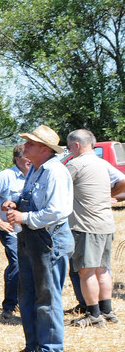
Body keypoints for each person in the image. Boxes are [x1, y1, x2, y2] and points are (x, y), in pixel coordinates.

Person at [5, 125, 74, 352]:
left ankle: (52, 351)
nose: (25, 146)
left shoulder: (54, 171)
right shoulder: (36, 170)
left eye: (31, 143)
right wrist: (15, 204)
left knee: (47, 295)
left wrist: (23, 217)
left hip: (48, 239)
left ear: (44, 149)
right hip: (32, 238)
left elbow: (56, 211)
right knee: (28, 294)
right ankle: (34, 347)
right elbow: (36, 200)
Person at [64, 129, 125, 327]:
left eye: (69, 146)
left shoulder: (74, 165)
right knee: (102, 269)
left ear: (77, 145)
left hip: (85, 225)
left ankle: (93, 314)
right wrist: (108, 195)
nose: (68, 150)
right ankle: (107, 311)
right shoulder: (102, 163)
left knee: (86, 271)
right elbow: (122, 180)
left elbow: (59, 188)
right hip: (105, 223)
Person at [0, 144, 31, 320]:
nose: (30, 160)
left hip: (30, 229)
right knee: (16, 264)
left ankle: (27, 302)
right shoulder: (6, 176)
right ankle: (8, 307)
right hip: (11, 230)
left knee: (29, 265)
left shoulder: (35, 175)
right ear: (17, 159)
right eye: (26, 156)